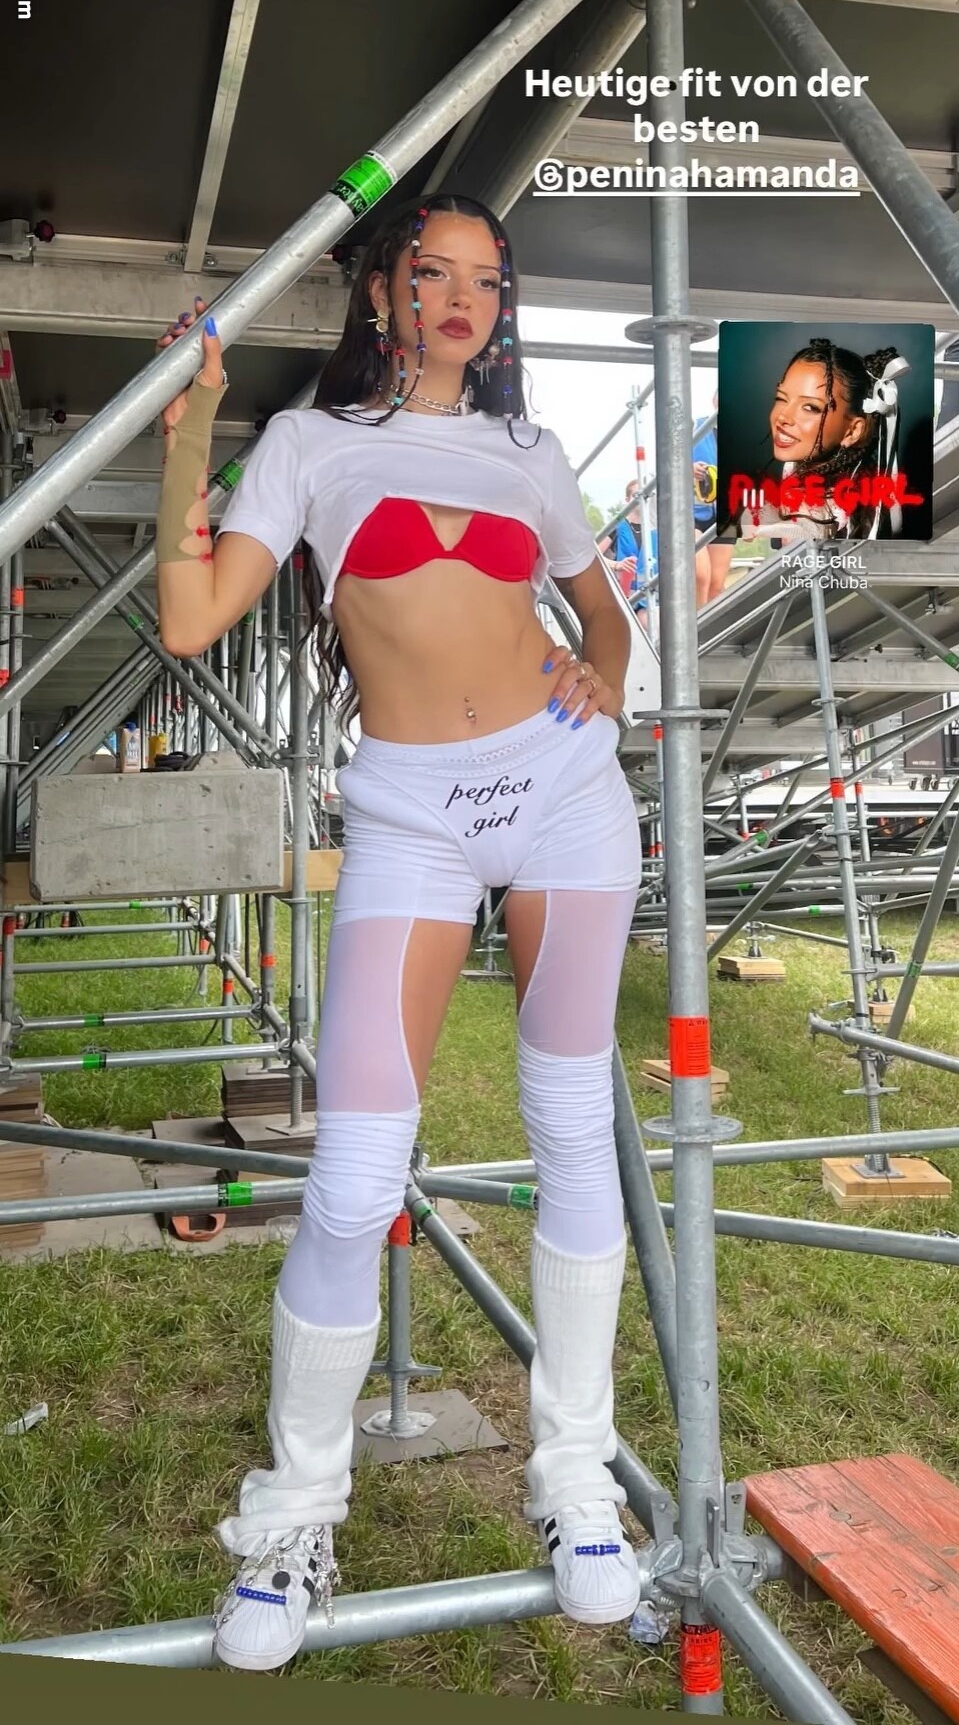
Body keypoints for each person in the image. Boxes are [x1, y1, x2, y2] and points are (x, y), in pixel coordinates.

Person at [154, 194, 643, 1674]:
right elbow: (190, 620)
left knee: (571, 1126)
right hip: (413, 814)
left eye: (486, 279)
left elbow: (603, 618)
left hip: (564, 795)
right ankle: (292, 1515)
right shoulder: (309, 446)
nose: (460, 297)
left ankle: (573, 1475)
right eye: (431, 271)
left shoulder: (529, 453)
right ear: (381, 291)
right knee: (355, 1170)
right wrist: (190, 428)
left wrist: (604, 678)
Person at [729, 338, 909, 547]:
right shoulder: (795, 468)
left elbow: (811, 529)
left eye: (810, 407)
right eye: (781, 398)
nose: (783, 417)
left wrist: (759, 527)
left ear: (852, 431)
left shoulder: (841, 499)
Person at [692, 392, 731, 609]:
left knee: (716, 584)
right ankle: (694, 625)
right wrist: (689, 468)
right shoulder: (694, 427)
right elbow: (669, 460)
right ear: (715, 401)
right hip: (692, 513)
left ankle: (710, 626)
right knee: (700, 575)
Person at [599, 481, 656, 625]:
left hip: (650, 597)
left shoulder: (656, 529)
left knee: (650, 624)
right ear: (627, 500)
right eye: (637, 495)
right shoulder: (617, 526)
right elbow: (593, 555)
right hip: (623, 597)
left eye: (646, 495)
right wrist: (616, 565)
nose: (642, 499)